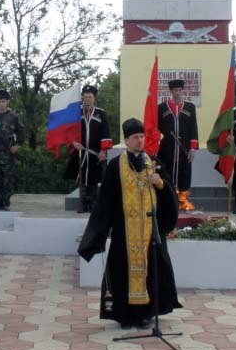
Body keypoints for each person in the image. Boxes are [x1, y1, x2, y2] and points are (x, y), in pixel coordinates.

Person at [78, 118, 181, 329]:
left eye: (142, 137)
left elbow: (170, 195)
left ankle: (146, 314)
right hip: (124, 232)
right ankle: (124, 314)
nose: (140, 141)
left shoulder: (154, 162)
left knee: (152, 270)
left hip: (150, 232)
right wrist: (96, 235)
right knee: (122, 271)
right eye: (135, 137)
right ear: (126, 140)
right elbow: (105, 202)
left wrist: (160, 183)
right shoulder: (116, 166)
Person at [64, 85, 112, 213]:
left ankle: (93, 204)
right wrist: (74, 143)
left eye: (90, 97)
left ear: (94, 98)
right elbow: (68, 131)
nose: (87, 99)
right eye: (85, 97)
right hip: (80, 150)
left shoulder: (100, 113)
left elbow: (106, 133)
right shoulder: (76, 112)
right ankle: (83, 203)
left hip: (95, 152)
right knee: (81, 177)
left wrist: (103, 151)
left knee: (94, 178)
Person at [157, 79, 199, 211]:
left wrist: (192, 148)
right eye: (175, 90)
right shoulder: (162, 107)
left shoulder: (190, 107)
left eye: (180, 90)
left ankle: (183, 201)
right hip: (167, 148)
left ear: (182, 91)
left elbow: (193, 128)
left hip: (184, 147)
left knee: (184, 173)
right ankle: (169, 202)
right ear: (171, 91)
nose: (178, 93)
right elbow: (156, 128)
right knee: (167, 172)